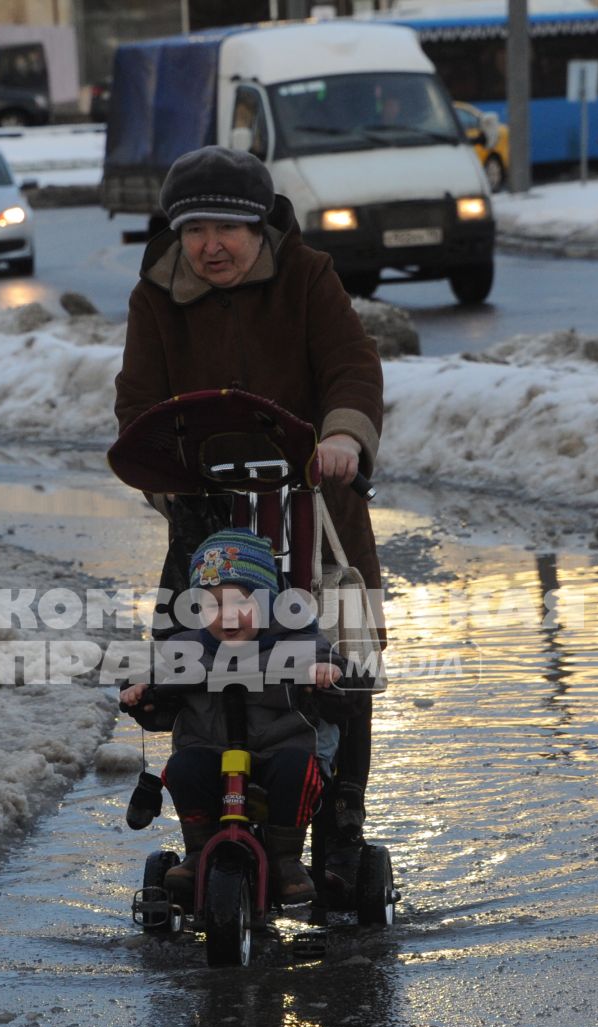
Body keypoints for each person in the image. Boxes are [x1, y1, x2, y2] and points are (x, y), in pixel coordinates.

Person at [113, 144, 385, 869]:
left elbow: (351, 368)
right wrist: (166, 478)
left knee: (344, 658)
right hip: (208, 520)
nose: (209, 246)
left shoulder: (306, 276)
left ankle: (339, 826)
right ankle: (206, 822)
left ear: (259, 226)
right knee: (191, 657)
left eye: (225, 230)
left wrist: (342, 437)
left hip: (316, 508)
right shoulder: (155, 296)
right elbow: (138, 407)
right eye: (193, 230)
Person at [120, 530, 343, 907]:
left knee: (297, 770)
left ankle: (284, 859)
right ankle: (199, 849)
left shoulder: (298, 643)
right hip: (208, 748)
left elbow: (333, 668)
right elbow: (158, 692)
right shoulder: (184, 648)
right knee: (183, 768)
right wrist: (141, 693)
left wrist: (327, 673)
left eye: (240, 604)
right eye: (210, 606)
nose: (225, 617)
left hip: (280, 748)